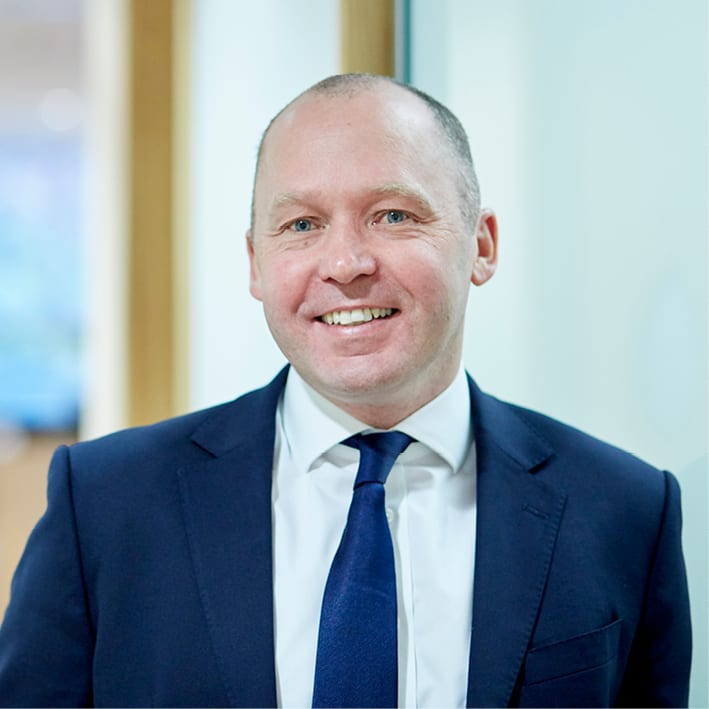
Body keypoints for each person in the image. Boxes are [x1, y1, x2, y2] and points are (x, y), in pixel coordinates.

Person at [0, 73, 691, 707]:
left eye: (392, 215)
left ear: (481, 245)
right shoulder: (105, 506)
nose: (345, 264)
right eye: (301, 225)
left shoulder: (626, 511)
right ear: (255, 263)